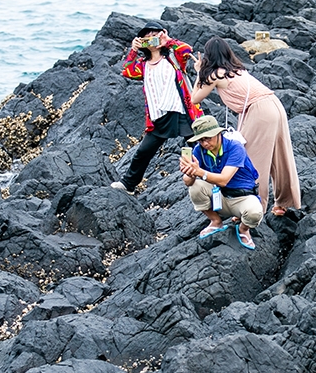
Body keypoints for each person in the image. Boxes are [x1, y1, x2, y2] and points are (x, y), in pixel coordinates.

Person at [190, 38, 301, 216]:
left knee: (250, 159)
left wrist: (199, 72)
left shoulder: (216, 74)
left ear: (209, 56)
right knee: (280, 156)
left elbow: (194, 98)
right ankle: (283, 202)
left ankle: (255, 208)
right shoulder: (237, 70)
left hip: (259, 111)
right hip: (274, 104)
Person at [111, 20, 203, 193]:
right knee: (143, 152)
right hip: (159, 115)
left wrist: (167, 40)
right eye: (147, 38)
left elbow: (186, 50)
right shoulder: (143, 65)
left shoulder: (173, 58)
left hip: (182, 110)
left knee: (197, 148)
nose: (152, 40)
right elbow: (127, 71)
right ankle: (128, 184)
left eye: (155, 36)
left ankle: (210, 178)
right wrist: (133, 50)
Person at [179, 115, 264, 250]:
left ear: (219, 133)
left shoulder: (235, 148)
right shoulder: (199, 150)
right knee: (195, 187)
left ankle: (243, 229)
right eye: (201, 140)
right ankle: (215, 221)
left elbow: (224, 179)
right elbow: (188, 182)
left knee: (255, 212)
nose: (205, 143)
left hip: (243, 197)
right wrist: (189, 172)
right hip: (220, 197)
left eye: (208, 138)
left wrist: (199, 172)